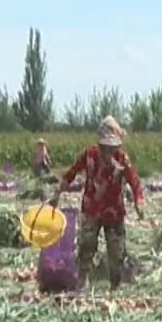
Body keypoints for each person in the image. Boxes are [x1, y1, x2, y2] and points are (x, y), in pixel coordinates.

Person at [51, 117, 145, 292]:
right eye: (105, 146)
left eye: (111, 147)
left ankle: (114, 289)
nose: (107, 151)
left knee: (116, 254)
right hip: (91, 210)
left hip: (114, 213)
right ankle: (81, 284)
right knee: (86, 248)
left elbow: (135, 182)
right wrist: (57, 193)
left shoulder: (122, 159)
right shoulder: (90, 155)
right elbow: (71, 174)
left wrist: (139, 202)